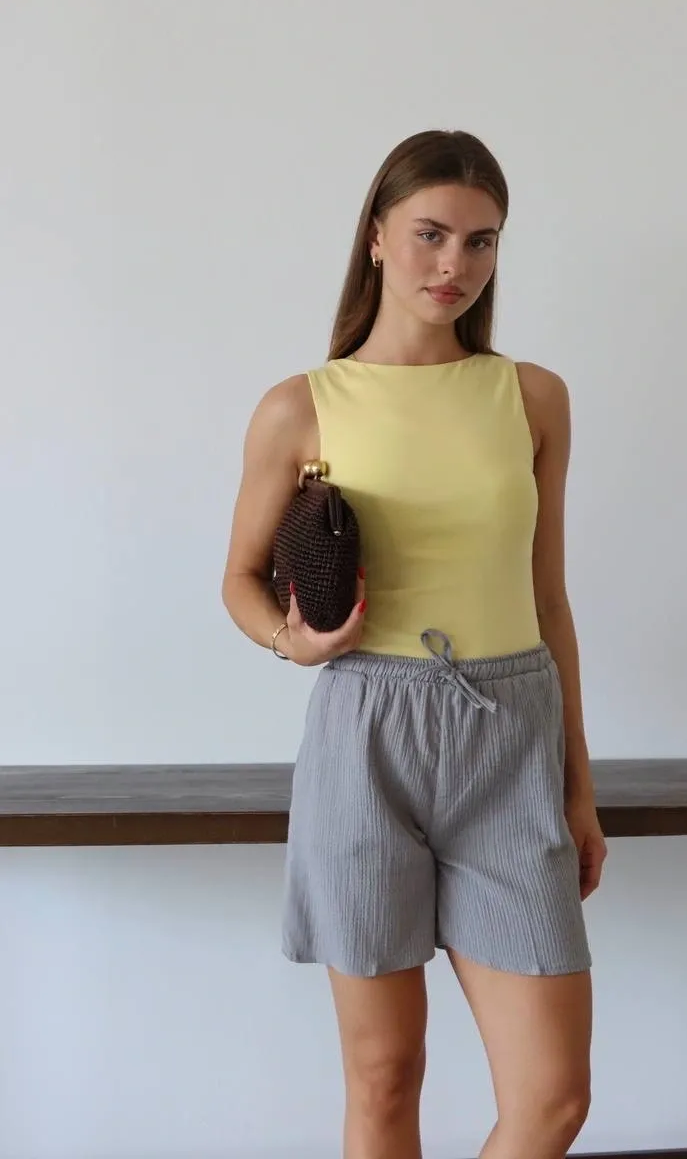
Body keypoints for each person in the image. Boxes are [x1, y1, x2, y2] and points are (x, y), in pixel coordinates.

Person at [221, 129, 608, 1159]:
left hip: (511, 733)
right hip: (365, 731)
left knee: (551, 1097)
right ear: (377, 238)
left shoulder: (530, 396)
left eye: (481, 242)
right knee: (385, 1076)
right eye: (431, 234)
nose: (454, 265)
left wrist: (577, 789)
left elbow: (548, 597)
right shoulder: (301, 405)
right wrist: (292, 644)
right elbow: (239, 580)